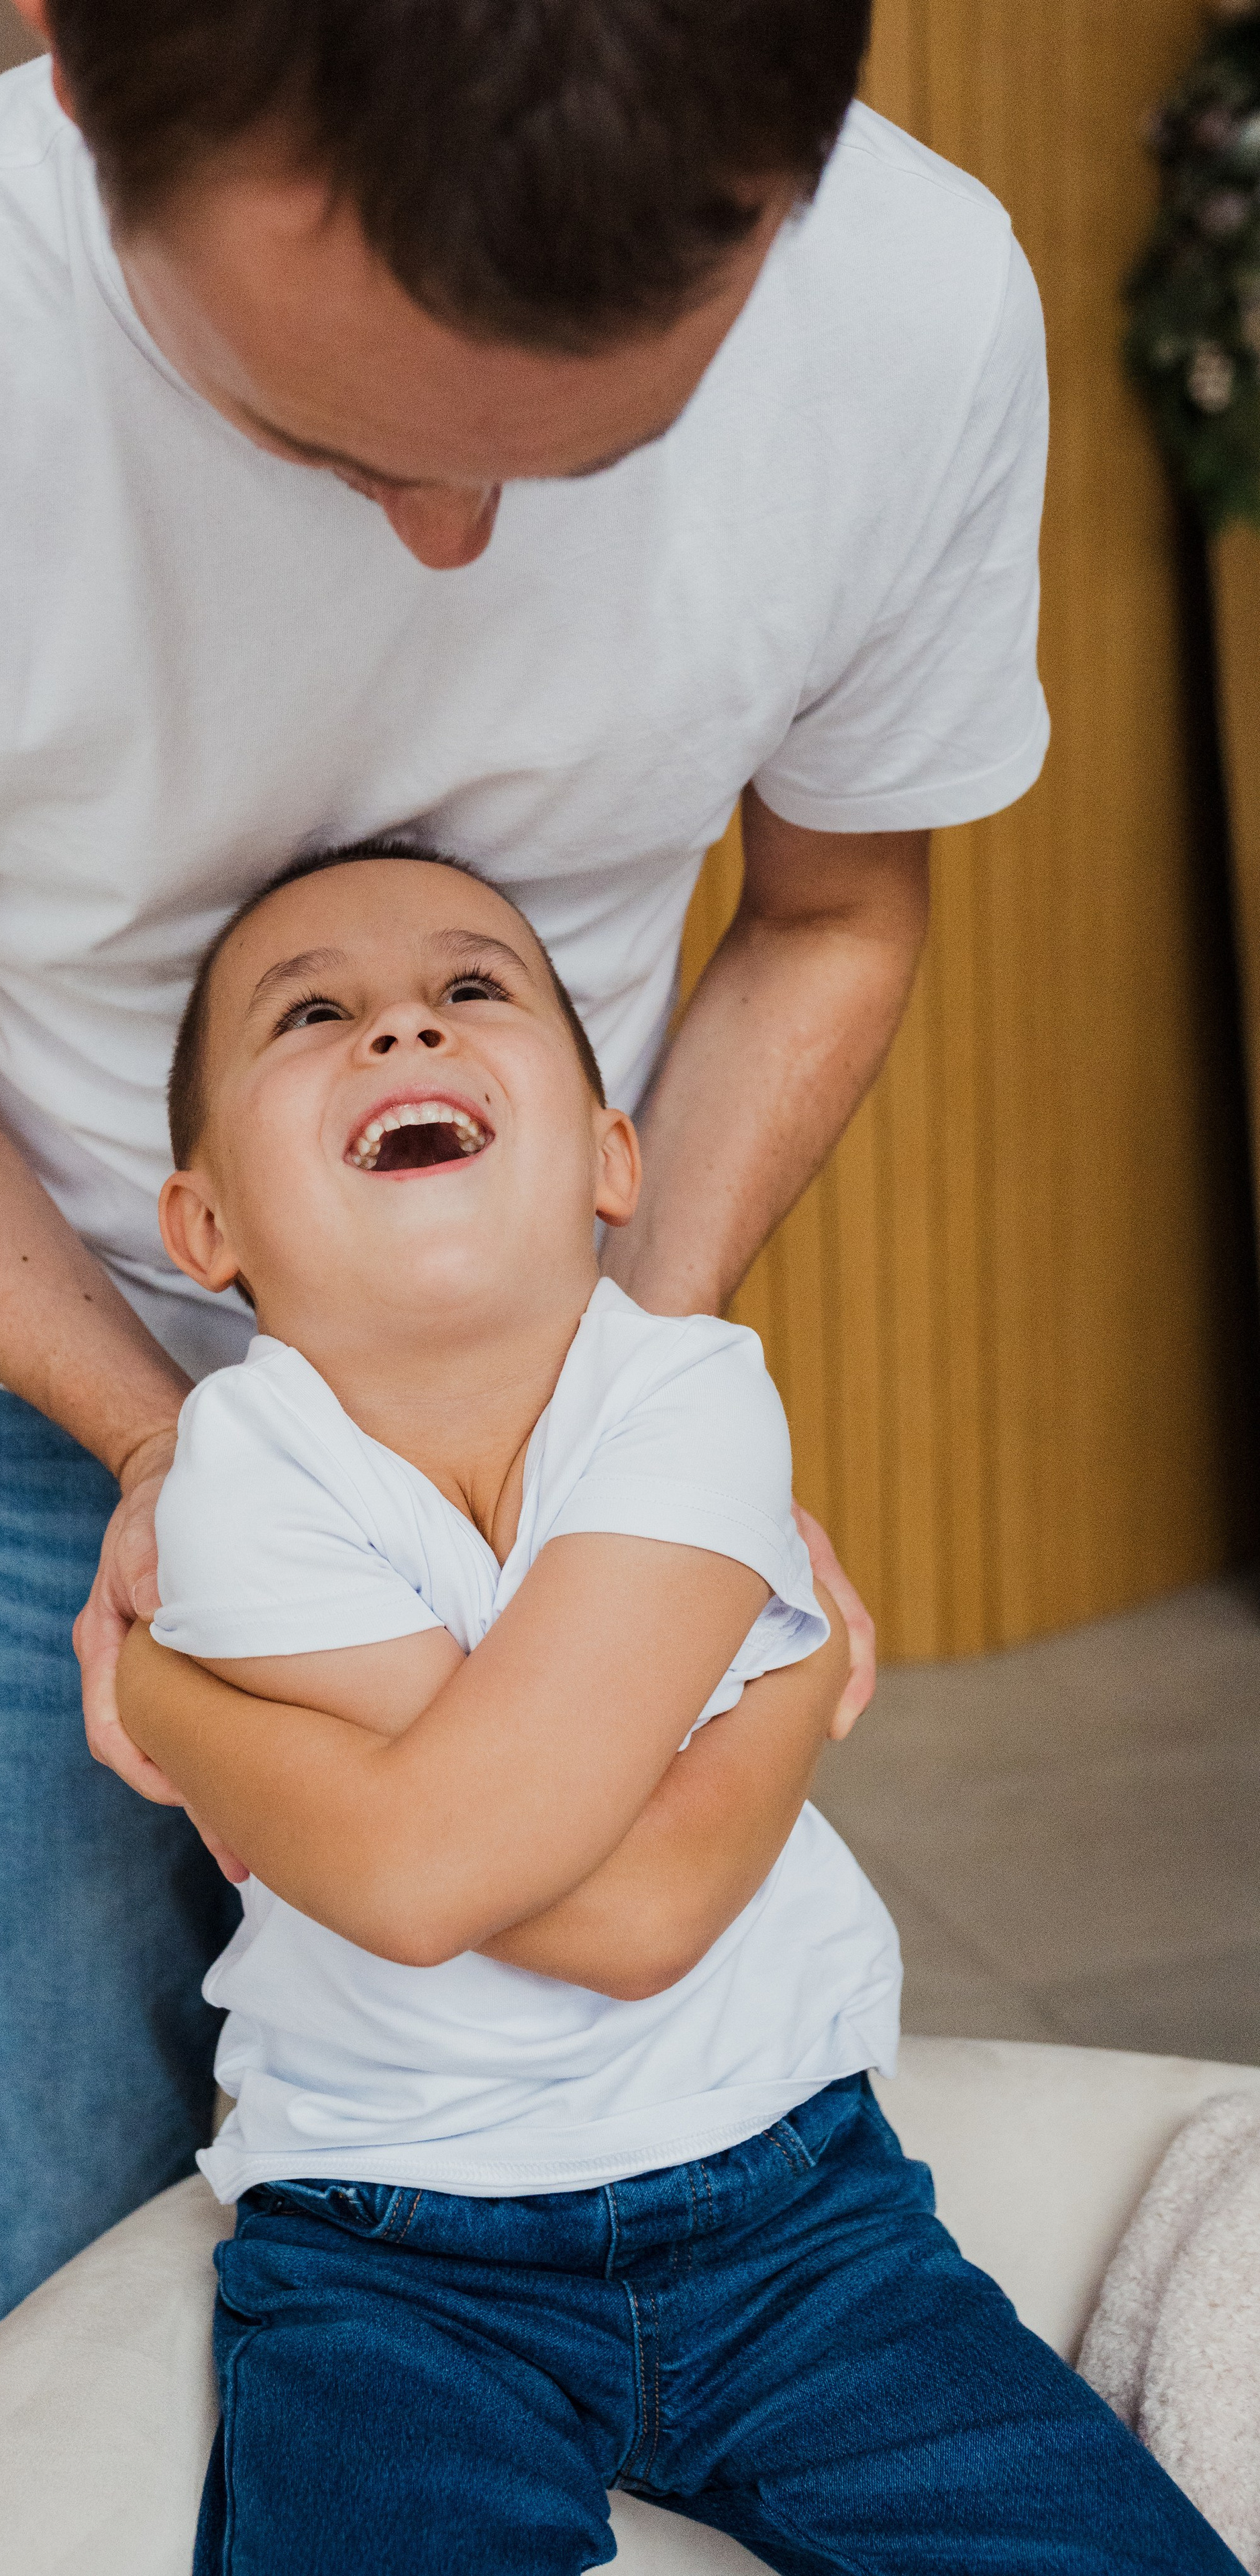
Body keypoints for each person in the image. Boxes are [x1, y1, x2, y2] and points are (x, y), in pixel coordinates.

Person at [0, 0, 1049, 2360]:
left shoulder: (914, 309)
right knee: (84, 2246)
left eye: (596, 443)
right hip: (68, 1391)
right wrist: (172, 1446)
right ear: (80, 69)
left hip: (583, 1348)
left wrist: (626, 1391)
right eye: (320, 437)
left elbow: (834, 908)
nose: (451, 540)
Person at [114, 846, 1241, 2576]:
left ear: (613, 1159)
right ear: (206, 1226)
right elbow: (440, 1883)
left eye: (472, 989)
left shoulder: (691, 1394)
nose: (402, 1023)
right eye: (315, 1012)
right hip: (391, 2260)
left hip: (798, 2219)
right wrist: (779, 1677)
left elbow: (614, 1913)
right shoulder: (240, 1474)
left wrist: (167, 1696)